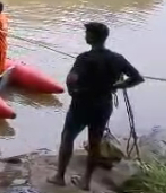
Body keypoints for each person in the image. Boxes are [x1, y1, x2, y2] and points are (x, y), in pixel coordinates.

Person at [47, 23, 144, 191]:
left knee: (68, 136)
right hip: (103, 105)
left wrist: (72, 91)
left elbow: (72, 79)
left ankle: (59, 177)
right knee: (95, 142)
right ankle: (86, 182)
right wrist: (117, 86)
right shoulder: (117, 58)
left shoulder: (84, 58)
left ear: (92, 36)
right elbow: (137, 78)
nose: (85, 35)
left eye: (87, 33)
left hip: (82, 104)